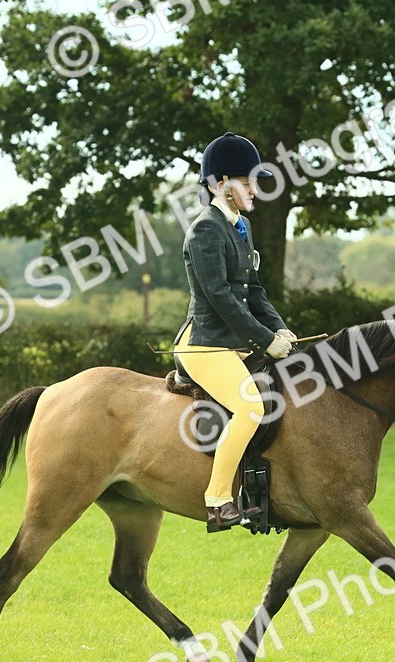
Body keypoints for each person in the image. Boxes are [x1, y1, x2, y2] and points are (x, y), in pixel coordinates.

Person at [172, 132, 297, 532]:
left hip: (234, 344)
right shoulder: (206, 229)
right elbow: (221, 297)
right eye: (249, 182)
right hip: (205, 345)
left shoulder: (240, 225)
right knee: (251, 407)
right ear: (223, 183)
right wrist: (265, 340)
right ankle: (218, 500)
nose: (256, 190)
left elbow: (254, 290)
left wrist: (280, 328)